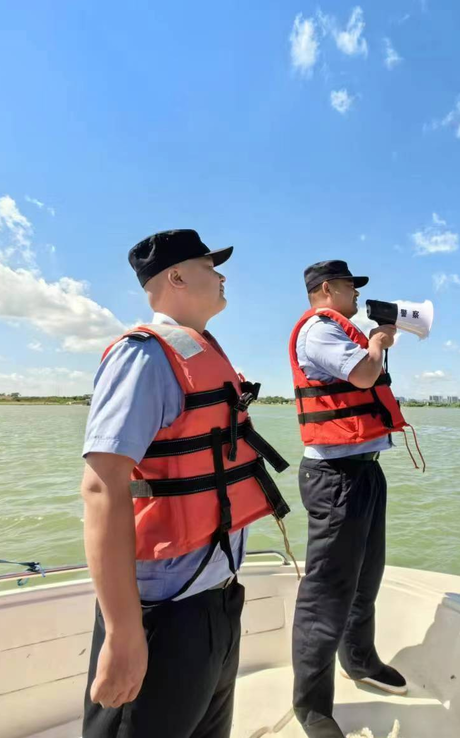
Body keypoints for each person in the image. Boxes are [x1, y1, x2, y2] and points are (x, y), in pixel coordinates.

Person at [81, 229, 290, 738]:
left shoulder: (207, 356)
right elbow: (101, 484)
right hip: (163, 615)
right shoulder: (144, 357)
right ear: (175, 276)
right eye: (208, 265)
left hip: (217, 603)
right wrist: (125, 633)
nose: (221, 276)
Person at [287, 260, 409, 738]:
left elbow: (367, 376)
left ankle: (360, 660)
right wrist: (378, 340)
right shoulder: (319, 331)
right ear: (325, 289)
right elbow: (362, 377)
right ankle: (311, 708)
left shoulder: (343, 333)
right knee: (326, 594)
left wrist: (376, 342)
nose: (356, 294)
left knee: (365, 577)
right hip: (334, 476)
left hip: (364, 472)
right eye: (350, 287)